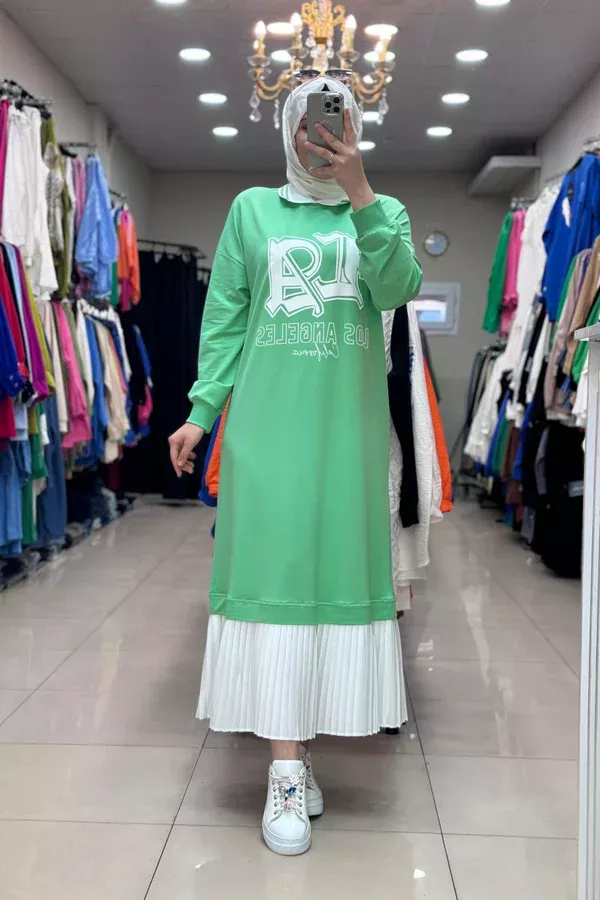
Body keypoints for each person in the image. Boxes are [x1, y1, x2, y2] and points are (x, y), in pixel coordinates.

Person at [168, 76, 422, 857]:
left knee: (327, 589)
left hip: (347, 438)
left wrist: (360, 191)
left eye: (335, 123)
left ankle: (301, 752)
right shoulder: (251, 210)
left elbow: (398, 285)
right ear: (288, 129)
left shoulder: (384, 211)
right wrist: (201, 411)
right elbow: (225, 320)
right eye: (309, 123)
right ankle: (283, 770)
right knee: (276, 589)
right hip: (267, 436)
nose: (321, 136)